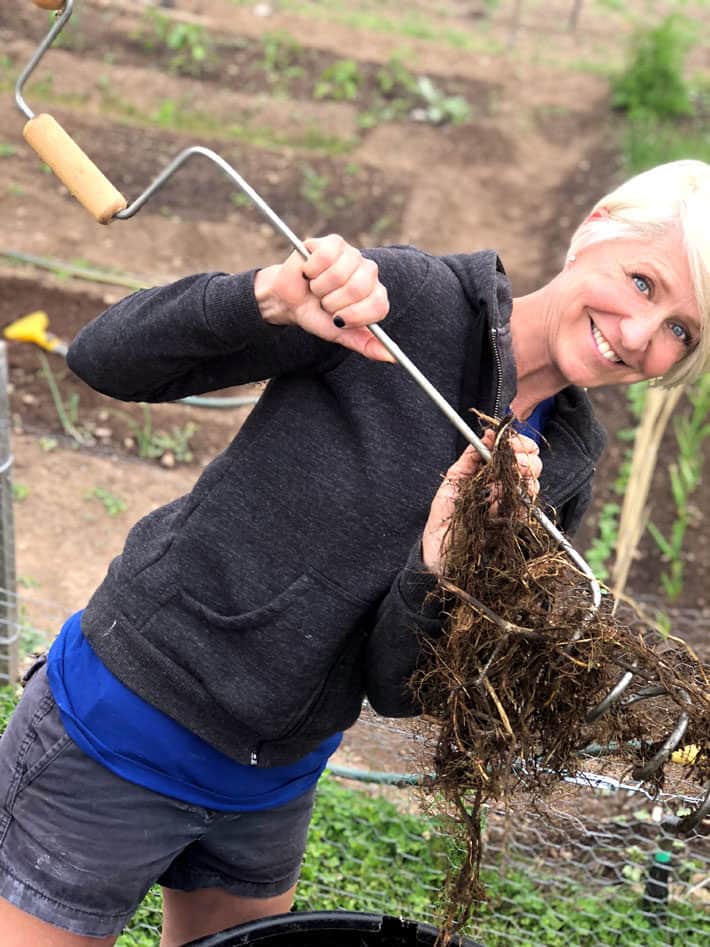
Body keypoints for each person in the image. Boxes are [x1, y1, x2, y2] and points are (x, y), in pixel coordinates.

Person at [1, 159, 708, 947]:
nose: (643, 336)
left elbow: (401, 686)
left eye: (683, 330)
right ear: (598, 229)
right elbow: (104, 358)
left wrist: (441, 567)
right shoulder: (410, 302)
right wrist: (267, 298)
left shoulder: (564, 461)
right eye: (645, 283)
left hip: (275, 780)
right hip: (125, 726)